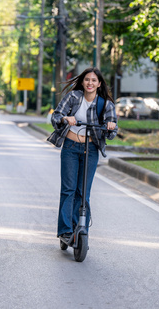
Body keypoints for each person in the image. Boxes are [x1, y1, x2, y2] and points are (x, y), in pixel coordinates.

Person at [47, 67, 118, 241]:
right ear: (83, 82)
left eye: (94, 80)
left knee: (83, 192)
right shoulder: (73, 97)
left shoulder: (106, 104)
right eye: (87, 79)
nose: (90, 83)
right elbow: (56, 116)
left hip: (91, 149)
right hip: (71, 147)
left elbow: (113, 130)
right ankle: (65, 230)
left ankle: (81, 228)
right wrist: (65, 119)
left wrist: (110, 127)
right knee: (68, 190)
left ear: (99, 83)